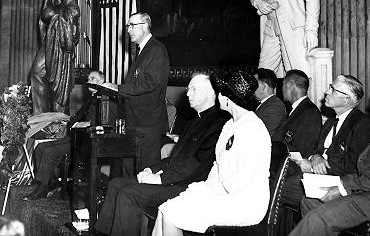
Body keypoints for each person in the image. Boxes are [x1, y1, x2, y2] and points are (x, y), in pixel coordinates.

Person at [94, 73, 229, 235]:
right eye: (188, 89)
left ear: (211, 93)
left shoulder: (219, 123)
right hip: (175, 179)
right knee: (115, 184)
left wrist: (160, 179)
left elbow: (198, 166)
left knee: (127, 193)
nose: (187, 94)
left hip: (190, 187)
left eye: (194, 89)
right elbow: (174, 159)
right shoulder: (194, 120)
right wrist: (151, 170)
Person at [151, 69, 271, 235]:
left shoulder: (253, 128)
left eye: (220, 92)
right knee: (165, 209)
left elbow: (242, 179)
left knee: (173, 215)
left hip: (243, 201)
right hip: (221, 191)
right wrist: (207, 188)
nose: (217, 95)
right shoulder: (230, 125)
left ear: (228, 98)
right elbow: (218, 164)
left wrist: (213, 193)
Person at [289, 72, 370, 235]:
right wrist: (341, 184)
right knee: (310, 202)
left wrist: (342, 187)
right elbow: (369, 170)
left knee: (319, 218)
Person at [281, 75, 370, 206]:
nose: (327, 92)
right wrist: (316, 157)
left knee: (281, 190)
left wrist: (313, 168)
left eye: (333, 89)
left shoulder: (362, 124)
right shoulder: (330, 121)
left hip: (339, 183)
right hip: (320, 177)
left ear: (347, 99)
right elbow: (317, 150)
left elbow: (352, 166)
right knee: (279, 185)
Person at [23, 70, 107, 200]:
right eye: (89, 78)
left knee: (50, 152)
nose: (89, 81)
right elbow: (77, 119)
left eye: (93, 78)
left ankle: (42, 189)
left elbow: (97, 124)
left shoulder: (104, 100)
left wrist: (77, 124)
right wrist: (65, 122)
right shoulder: (90, 99)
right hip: (75, 138)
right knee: (40, 148)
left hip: (86, 143)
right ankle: (51, 183)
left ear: (102, 82)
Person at [103, 12, 169, 172]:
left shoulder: (156, 50)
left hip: (147, 124)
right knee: (129, 169)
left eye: (133, 25)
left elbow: (150, 83)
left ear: (145, 26)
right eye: (128, 26)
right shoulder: (143, 50)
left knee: (144, 171)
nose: (128, 30)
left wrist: (118, 88)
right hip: (135, 122)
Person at [30, 0, 80, 114]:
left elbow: (74, 10)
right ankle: (41, 116)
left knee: (49, 77)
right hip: (50, 39)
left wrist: (53, 12)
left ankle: (53, 118)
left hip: (58, 39)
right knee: (37, 73)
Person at [280, 69, 322, 177]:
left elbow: (303, 151)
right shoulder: (294, 110)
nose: (282, 88)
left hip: (294, 174)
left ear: (290, 85)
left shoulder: (310, 113)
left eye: (283, 84)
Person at [254, 68, 286, 140]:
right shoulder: (265, 104)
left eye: (254, 83)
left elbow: (262, 136)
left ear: (264, 86)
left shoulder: (275, 107)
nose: (251, 87)